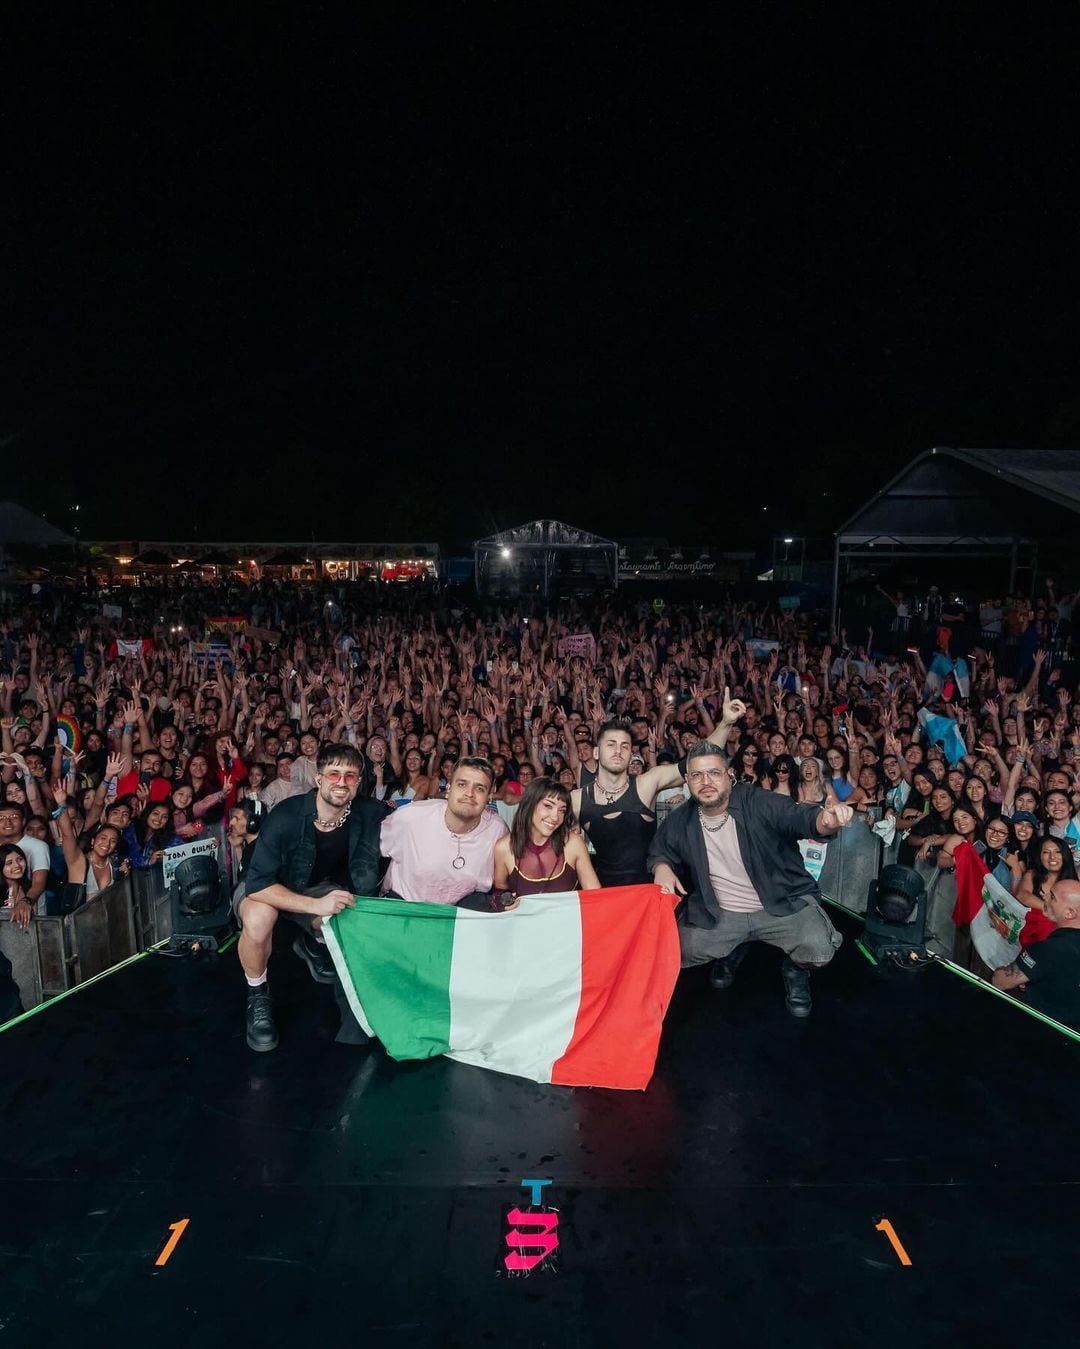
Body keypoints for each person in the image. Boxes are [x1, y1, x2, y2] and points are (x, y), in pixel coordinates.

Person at [647, 740, 855, 1017]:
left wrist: (824, 822)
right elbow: (659, 850)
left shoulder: (757, 801)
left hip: (780, 905)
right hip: (722, 913)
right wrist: (661, 866)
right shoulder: (680, 820)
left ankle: (795, 968)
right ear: (687, 780)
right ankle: (732, 946)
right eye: (697, 775)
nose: (705, 781)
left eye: (714, 773)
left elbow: (797, 816)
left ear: (729, 775)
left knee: (819, 950)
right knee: (676, 951)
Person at [238, 742, 386, 1052]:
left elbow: (422, 820)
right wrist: (315, 906)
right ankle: (257, 995)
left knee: (345, 903)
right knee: (259, 918)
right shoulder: (286, 815)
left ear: (359, 782)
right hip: (264, 884)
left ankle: (312, 940)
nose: (341, 782)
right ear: (318, 779)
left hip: (315, 887)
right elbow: (258, 883)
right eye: (333, 774)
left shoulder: (370, 812)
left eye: (350, 775)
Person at [573, 695, 741, 889]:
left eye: (625, 746)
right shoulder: (576, 800)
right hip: (606, 898)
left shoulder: (647, 784)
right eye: (611, 745)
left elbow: (697, 760)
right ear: (596, 752)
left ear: (630, 755)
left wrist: (726, 722)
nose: (618, 751)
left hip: (652, 892)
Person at [380, 756, 507, 906]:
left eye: (480, 788)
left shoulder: (497, 830)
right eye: (462, 784)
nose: (470, 793)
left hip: (458, 918)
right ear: (448, 788)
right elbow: (370, 852)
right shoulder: (410, 817)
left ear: (489, 796)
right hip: (405, 910)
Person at [991, 878, 1080, 1029]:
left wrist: (1007, 971)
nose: (1044, 897)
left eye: (1052, 897)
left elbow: (1000, 981)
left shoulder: (1049, 949)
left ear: (1069, 913)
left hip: (1046, 1036)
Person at [492, 777, 600, 897]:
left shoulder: (573, 843)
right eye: (548, 806)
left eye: (562, 810)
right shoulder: (503, 848)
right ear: (530, 804)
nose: (555, 817)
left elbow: (595, 895)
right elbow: (499, 892)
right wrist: (504, 901)